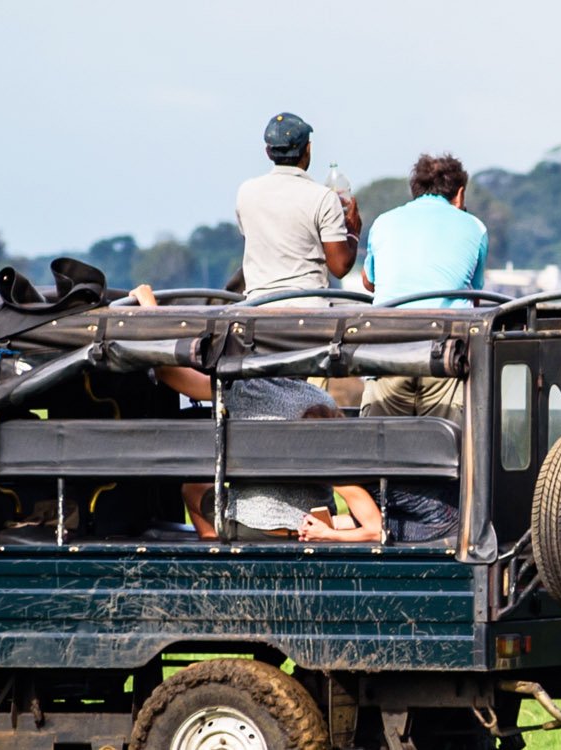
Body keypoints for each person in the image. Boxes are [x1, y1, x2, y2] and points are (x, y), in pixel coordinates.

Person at [130, 284, 461, 543]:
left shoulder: (247, 389)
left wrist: (150, 310)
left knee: (193, 489)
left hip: (263, 527)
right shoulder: (320, 399)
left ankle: (216, 552)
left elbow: (173, 374)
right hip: (319, 520)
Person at [357, 153, 489, 419]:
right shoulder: (475, 227)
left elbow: (369, 282)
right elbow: (473, 296)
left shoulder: (383, 222)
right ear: (460, 194)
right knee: (450, 451)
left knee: (378, 450)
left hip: (386, 350)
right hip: (445, 355)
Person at [236, 112, 364, 305]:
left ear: (268, 152)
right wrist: (353, 232)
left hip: (257, 306)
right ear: (308, 149)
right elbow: (340, 267)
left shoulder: (246, 192)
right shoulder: (323, 197)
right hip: (308, 308)